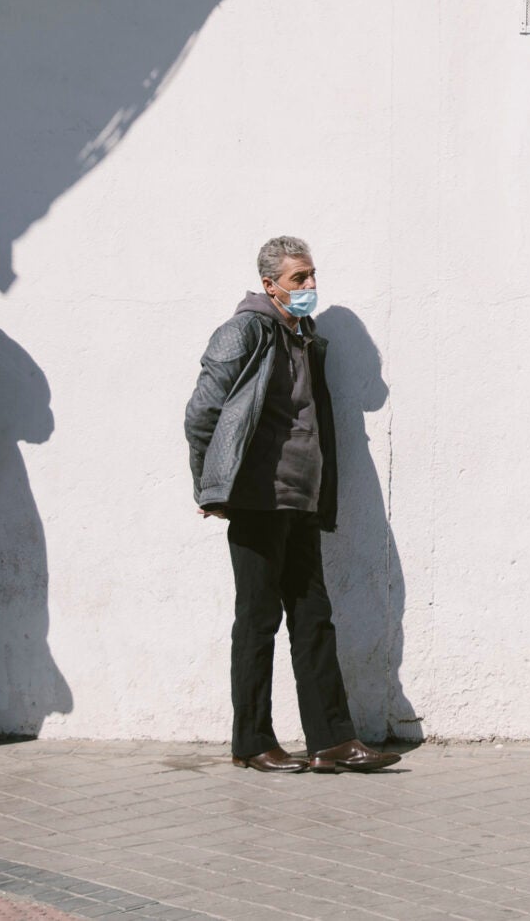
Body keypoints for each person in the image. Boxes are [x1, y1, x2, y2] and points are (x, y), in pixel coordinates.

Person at [185, 235, 398, 775]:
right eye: (298, 278)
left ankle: (331, 740)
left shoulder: (302, 337)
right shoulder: (246, 331)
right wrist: (210, 486)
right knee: (257, 620)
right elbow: (202, 412)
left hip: (300, 498)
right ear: (269, 284)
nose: (309, 286)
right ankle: (252, 741)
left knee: (313, 617)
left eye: (311, 276)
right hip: (258, 498)